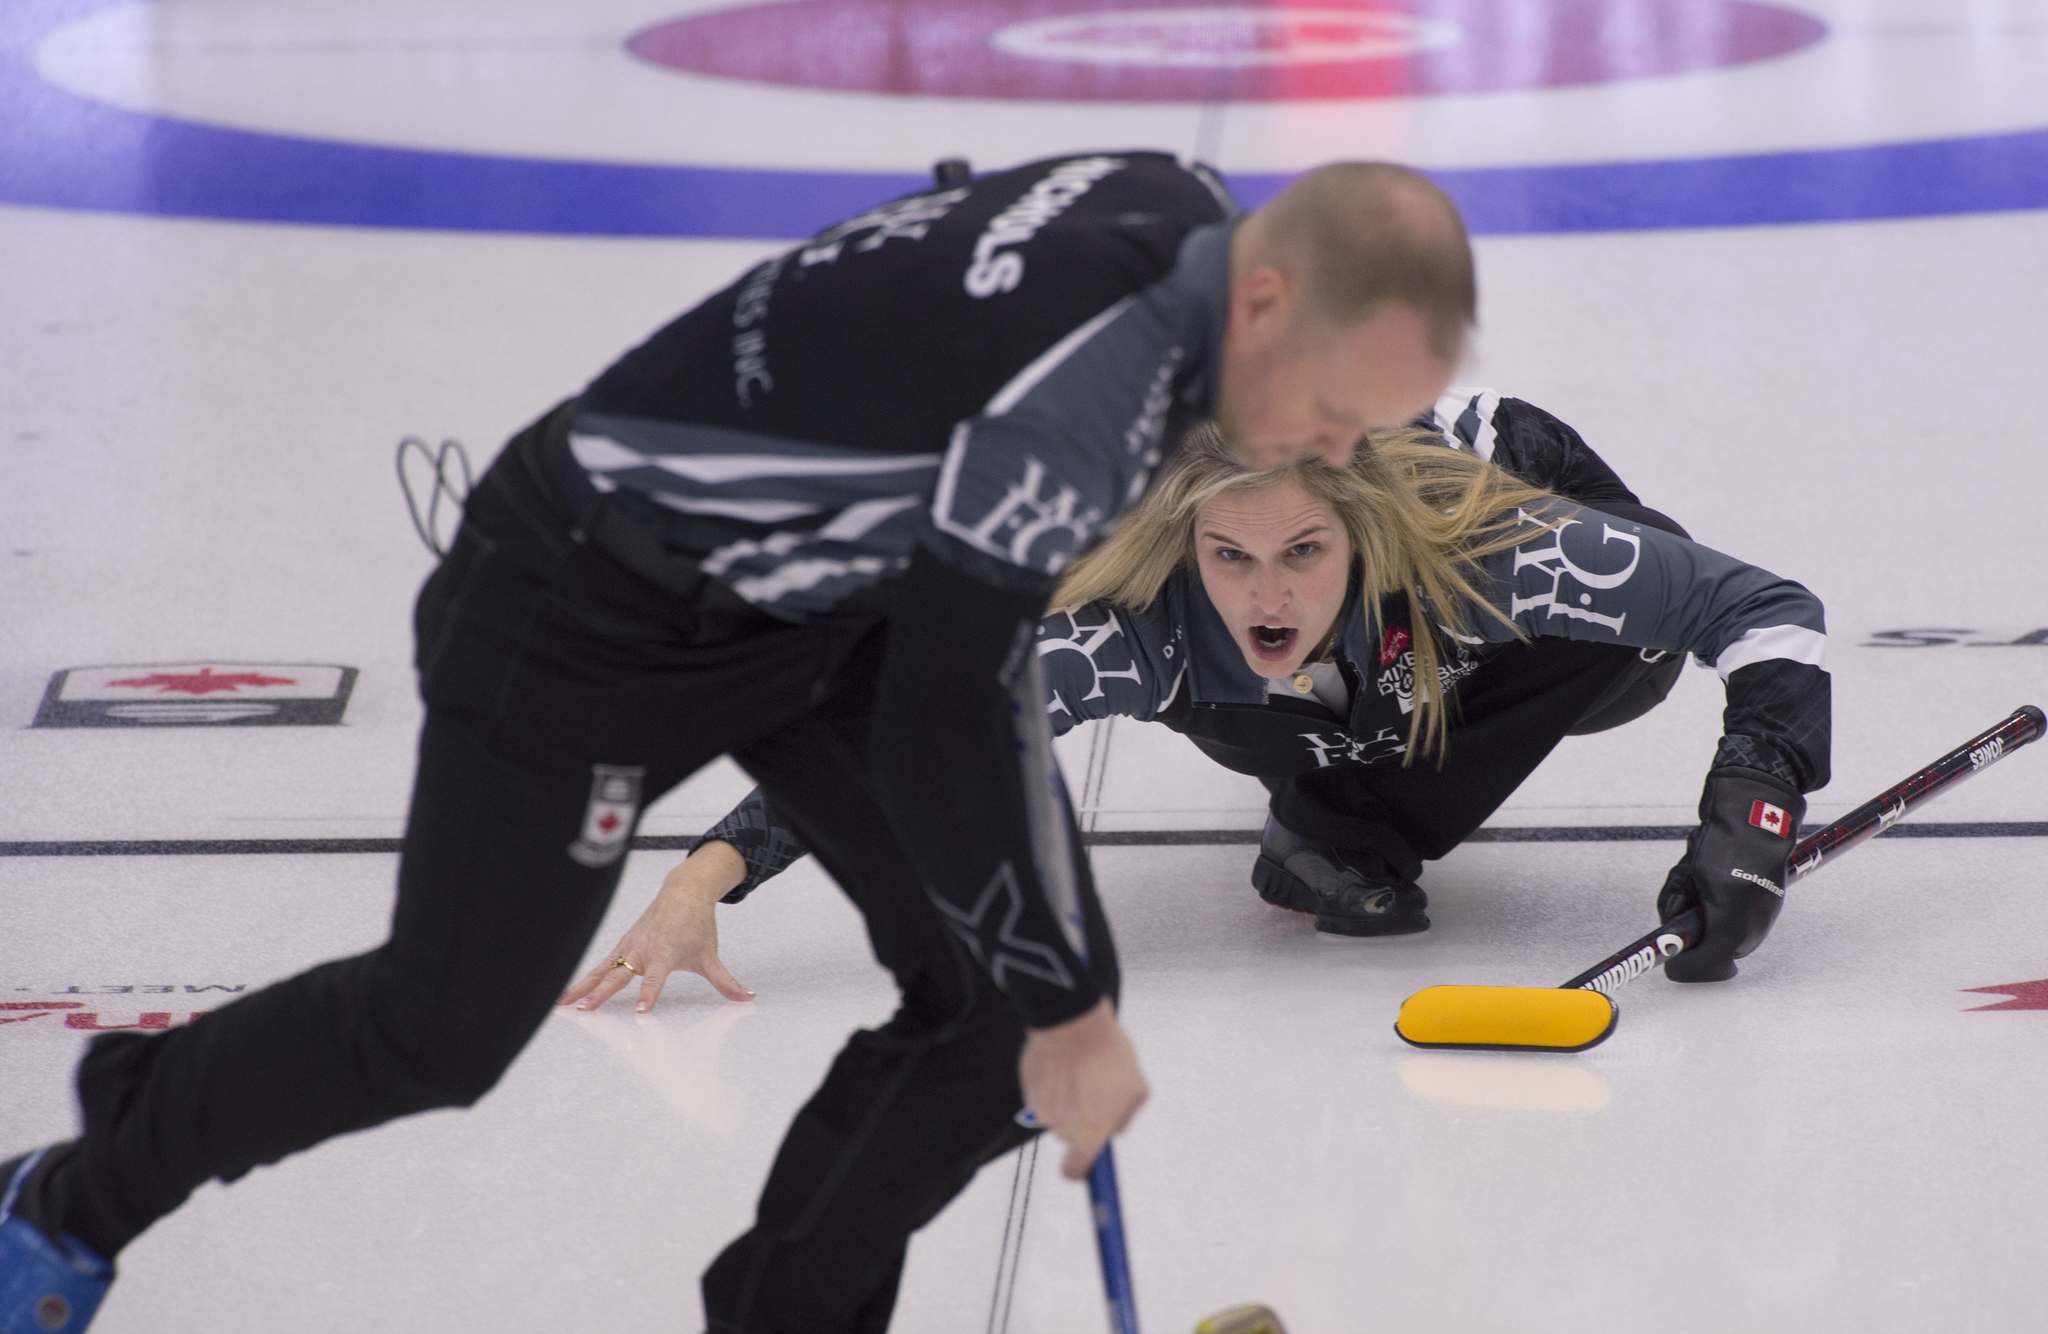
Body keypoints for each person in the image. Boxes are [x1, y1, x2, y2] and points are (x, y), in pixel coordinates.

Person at [0, 152, 1476, 1334]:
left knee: (989, 1001)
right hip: (585, 599)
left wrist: (1054, 994)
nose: (1338, 454)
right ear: (1266, 297)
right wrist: (1078, 1005)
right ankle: (78, 1193)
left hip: (818, 595)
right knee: (440, 1028)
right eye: (1338, 411)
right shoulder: (1081, 382)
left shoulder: (1190, 219)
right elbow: (953, 716)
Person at [563, 388, 1829, 1016]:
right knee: (1285, 699)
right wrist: (702, 878)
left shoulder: (1482, 552)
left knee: (1641, 622)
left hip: (1498, 530)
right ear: (1186, 545)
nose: (1266, 594)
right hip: (1329, 701)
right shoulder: (1138, 625)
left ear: (1363, 532)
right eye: (1230, 556)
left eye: (1302, 554)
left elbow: (1762, 603)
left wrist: (1753, 796)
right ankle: (1334, 822)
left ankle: (1351, 796)